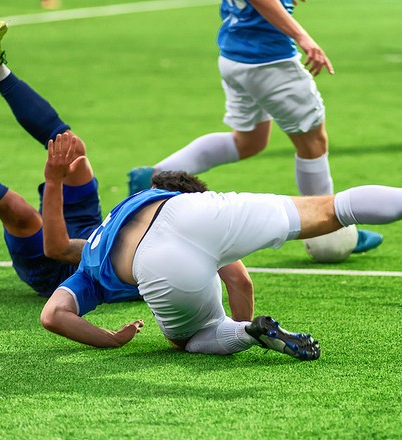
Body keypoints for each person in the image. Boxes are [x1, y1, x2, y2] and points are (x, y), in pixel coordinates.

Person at [0, 21, 257, 326]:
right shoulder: (172, 237)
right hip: (93, 231)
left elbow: (57, 248)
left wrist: (53, 179)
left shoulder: (152, 256)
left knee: (17, 212)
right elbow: (237, 277)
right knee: (73, 150)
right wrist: (243, 329)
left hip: (62, 266)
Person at [46, 152, 402, 360]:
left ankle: (247, 333)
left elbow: (53, 315)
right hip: (188, 210)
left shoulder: (87, 267)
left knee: (187, 340)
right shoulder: (132, 207)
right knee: (330, 209)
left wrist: (109, 338)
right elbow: (240, 281)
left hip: (155, 264)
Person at [127, 0, 384, 256]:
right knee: (312, 143)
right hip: (270, 61)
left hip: (234, 55)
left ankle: (153, 175)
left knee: (249, 141)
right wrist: (303, 37)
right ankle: (329, 228)